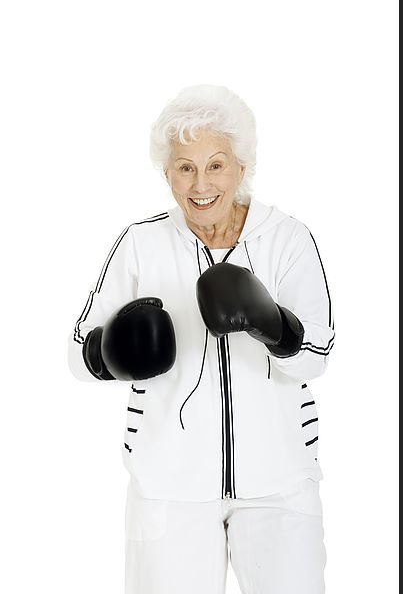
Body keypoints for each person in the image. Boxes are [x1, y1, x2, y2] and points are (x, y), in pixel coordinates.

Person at [67, 84, 335, 594]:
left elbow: (317, 356)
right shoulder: (141, 243)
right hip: (168, 483)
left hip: (280, 482)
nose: (200, 183)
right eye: (184, 167)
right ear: (167, 174)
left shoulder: (287, 238)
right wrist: (108, 352)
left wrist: (275, 325)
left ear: (241, 167)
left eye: (215, 165)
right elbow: (77, 352)